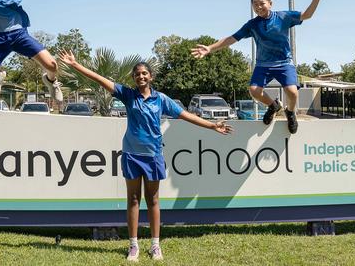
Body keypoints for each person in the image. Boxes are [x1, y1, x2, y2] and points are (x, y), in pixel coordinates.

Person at [58, 50, 232, 262]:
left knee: (153, 200)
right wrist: (75, 65)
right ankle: (133, 246)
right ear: (134, 78)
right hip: (132, 155)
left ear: (151, 77)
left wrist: (212, 126)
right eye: (137, 74)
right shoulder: (128, 95)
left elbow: (186, 115)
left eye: (144, 74)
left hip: (153, 155)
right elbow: (100, 79)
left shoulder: (162, 99)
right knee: (133, 199)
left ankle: (155, 246)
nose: (141, 77)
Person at [191, 0, 328, 134]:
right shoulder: (252, 24)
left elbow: (306, 15)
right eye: (255, 4)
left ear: (270, 3)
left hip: (284, 63)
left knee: (292, 92)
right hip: (263, 65)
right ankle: (274, 106)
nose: (258, 7)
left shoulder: (283, 17)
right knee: (254, 90)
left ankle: (290, 112)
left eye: (261, 3)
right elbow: (232, 38)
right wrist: (209, 48)